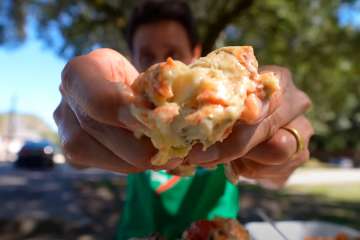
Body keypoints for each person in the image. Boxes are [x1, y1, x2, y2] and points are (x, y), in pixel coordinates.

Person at [53, 0, 314, 239]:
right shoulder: (128, 121)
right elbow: (76, 162)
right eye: (146, 56)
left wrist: (286, 147)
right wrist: (77, 125)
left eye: (173, 53)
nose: (161, 64)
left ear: (197, 54)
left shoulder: (234, 115)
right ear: (131, 59)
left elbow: (275, 180)